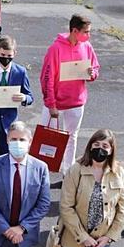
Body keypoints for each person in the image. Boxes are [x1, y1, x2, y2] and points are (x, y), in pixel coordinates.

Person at [39, 14, 101, 170]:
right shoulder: (55, 49)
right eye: (86, 32)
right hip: (56, 105)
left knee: (72, 137)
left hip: (76, 103)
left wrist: (91, 73)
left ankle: (68, 170)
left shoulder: (87, 47)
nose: (89, 35)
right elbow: (47, 78)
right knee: (49, 138)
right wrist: (51, 104)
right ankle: (44, 168)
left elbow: (95, 68)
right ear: (75, 30)